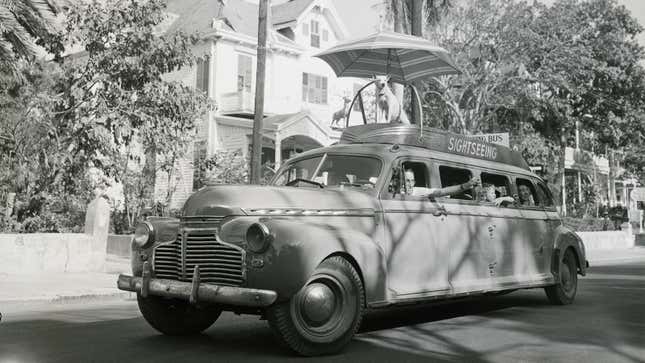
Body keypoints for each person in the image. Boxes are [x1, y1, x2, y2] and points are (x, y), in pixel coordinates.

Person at [403, 169, 480, 198]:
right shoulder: (394, 192)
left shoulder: (418, 191)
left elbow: (441, 192)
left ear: (414, 182)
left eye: (412, 181)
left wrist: (465, 186)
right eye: (407, 181)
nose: (410, 184)